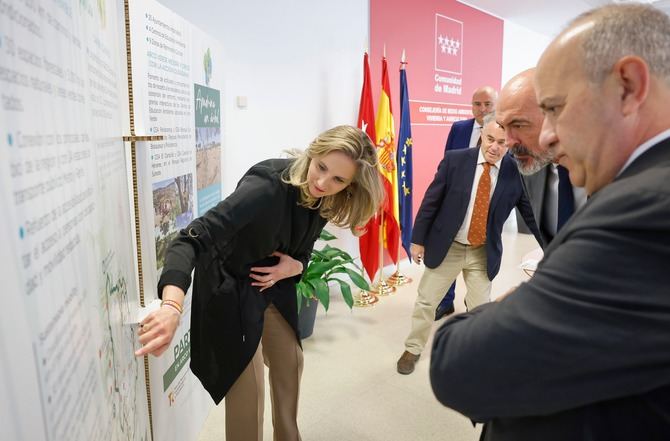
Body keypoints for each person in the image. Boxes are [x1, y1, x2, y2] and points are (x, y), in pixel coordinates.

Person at [430, 4, 670, 439]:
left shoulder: (644, 213)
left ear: (629, 87)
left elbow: (459, 367)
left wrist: (530, 295)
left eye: (555, 108)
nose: (545, 136)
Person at [135, 125, 383, 440]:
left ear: (349, 185)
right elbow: (190, 240)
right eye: (320, 167)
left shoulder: (328, 199)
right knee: (247, 391)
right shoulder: (265, 189)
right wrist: (172, 305)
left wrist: (294, 267)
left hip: (272, 286)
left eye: (338, 179)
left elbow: (302, 252)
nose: (322, 183)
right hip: (231, 288)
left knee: (290, 365)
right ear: (313, 151)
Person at [397, 113, 542, 375]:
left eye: (501, 142)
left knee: (479, 309)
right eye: (489, 139)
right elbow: (431, 201)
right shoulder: (456, 161)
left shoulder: (514, 171)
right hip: (448, 245)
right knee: (427, 301)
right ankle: (413, 348)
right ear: (481, 136)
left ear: (509, 143)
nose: (494, 147)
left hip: (481, 251)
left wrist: (551, 244)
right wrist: (417, 240)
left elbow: (529, 214)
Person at [496, 69, 586, 244]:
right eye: (502, 127)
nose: (508, 142)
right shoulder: (530, 163)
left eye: (519, 125)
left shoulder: (615, 167)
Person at [436, 85, 499, 320]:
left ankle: (475, 299)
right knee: (449, 250)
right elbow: (446, 163)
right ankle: (445, 301)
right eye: (477, 104)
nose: (481, 109)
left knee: (481, 254)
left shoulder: (503, 132)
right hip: (456, 202)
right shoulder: (459, 128)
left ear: (496, 106)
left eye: (487, 104)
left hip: (485, 202)